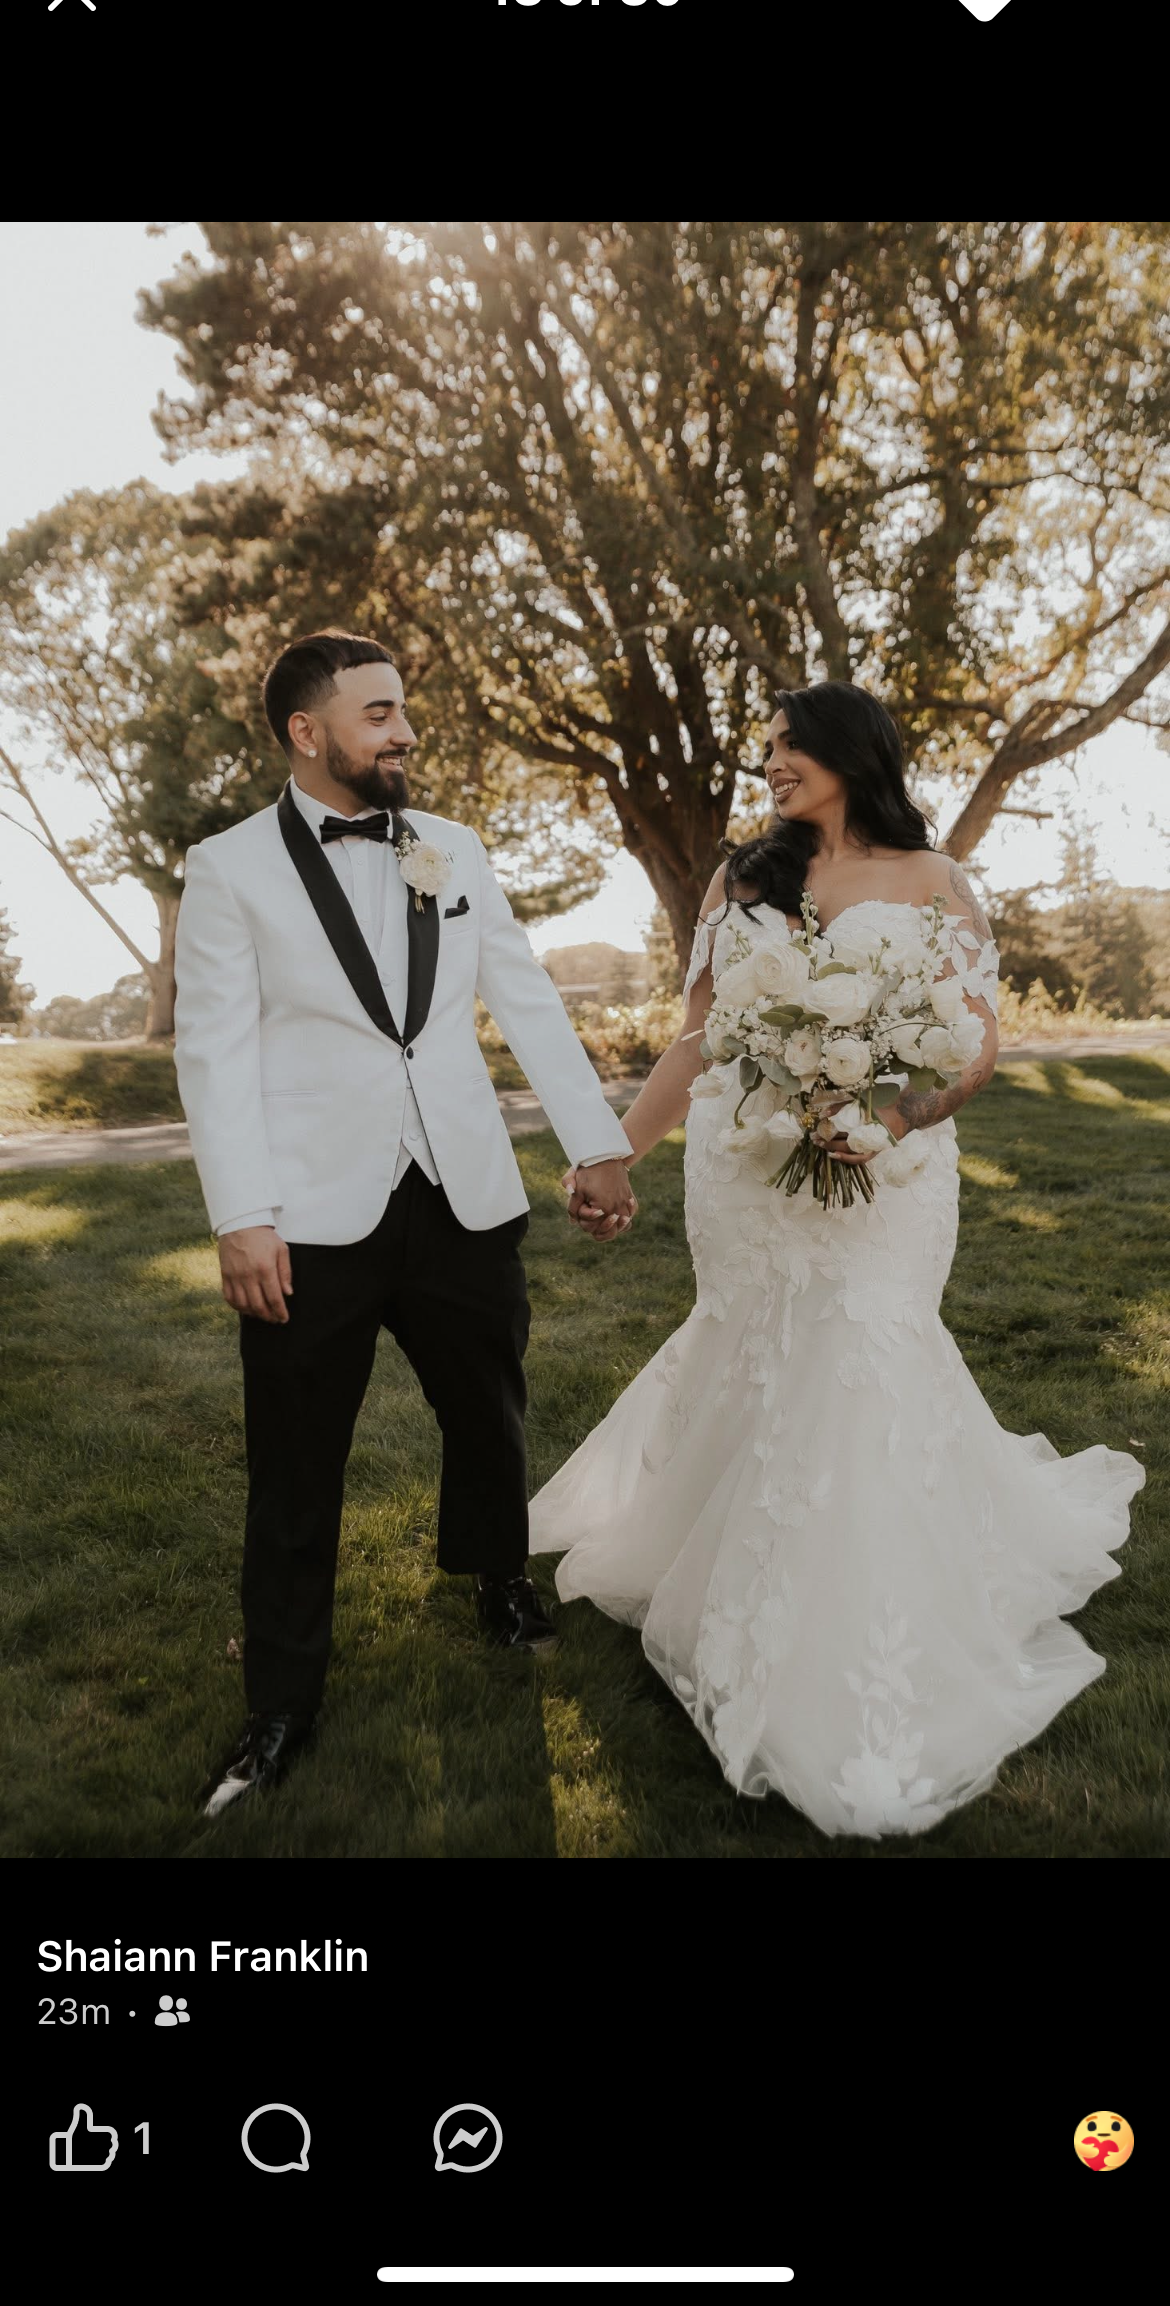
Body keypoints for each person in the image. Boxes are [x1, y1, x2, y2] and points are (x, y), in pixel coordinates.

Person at [537, 682, 1145, 1840]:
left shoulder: (936, 883)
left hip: (889, 1173)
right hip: (748, 1170)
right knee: (764, 1352)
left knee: (863, 1345)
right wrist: (613, 1154)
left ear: (852, 754)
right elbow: (699, 1036)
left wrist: (895, 1117)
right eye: (763, 747)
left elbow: (977, 1049)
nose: (769, 764)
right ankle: (734, 1575)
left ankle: (852, 1629)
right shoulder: (741, 879)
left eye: (788, 745)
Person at [172, 631, 636, 1817]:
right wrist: (243, 1215)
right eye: (378, 713)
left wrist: (596, 1143)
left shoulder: (453, 849)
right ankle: (281, 1703)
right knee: (294, 1465)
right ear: (306, 733)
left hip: (460, 1191)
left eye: (404, 711)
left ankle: (495, 1578)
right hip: (306, 1217)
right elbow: (214, 1053)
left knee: (489, 1404)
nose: (405, 731)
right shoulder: (228, 870)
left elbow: (525, 999)